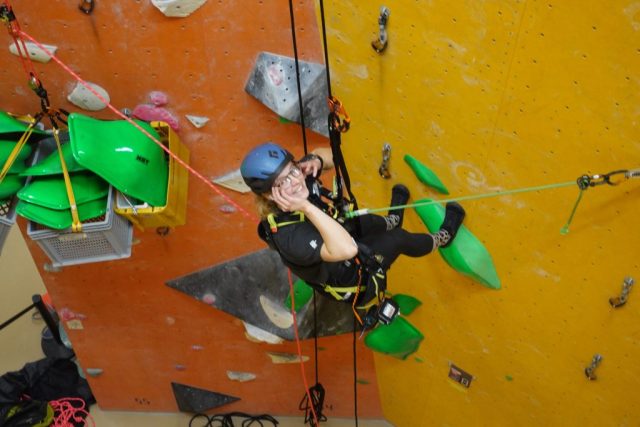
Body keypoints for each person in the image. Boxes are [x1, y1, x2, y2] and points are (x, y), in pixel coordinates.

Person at [240, 142, 465, 316]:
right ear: (269, 195)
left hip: (340, 232)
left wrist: (317, 159)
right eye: (282, 182)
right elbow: (347, 249)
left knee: (367, 222)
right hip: (351, 277)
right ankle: (442, 238)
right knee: (397, 239)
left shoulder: (297, 179)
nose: (295, 182)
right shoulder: (290, 238)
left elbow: (333, 154)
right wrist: (306, 207)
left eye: (292, 170)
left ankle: (392, 220)